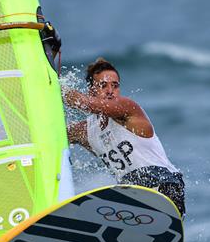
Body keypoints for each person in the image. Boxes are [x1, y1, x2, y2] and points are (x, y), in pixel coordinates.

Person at [64, 57, 186, 216]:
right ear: (91, 91)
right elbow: (56, 136)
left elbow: (86, 104)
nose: (110, 91)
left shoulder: (128, 108)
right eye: (103, 85)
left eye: (115, 86)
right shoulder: (87, 131)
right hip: (132, 193)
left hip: (164, 184)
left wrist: (54, 86)